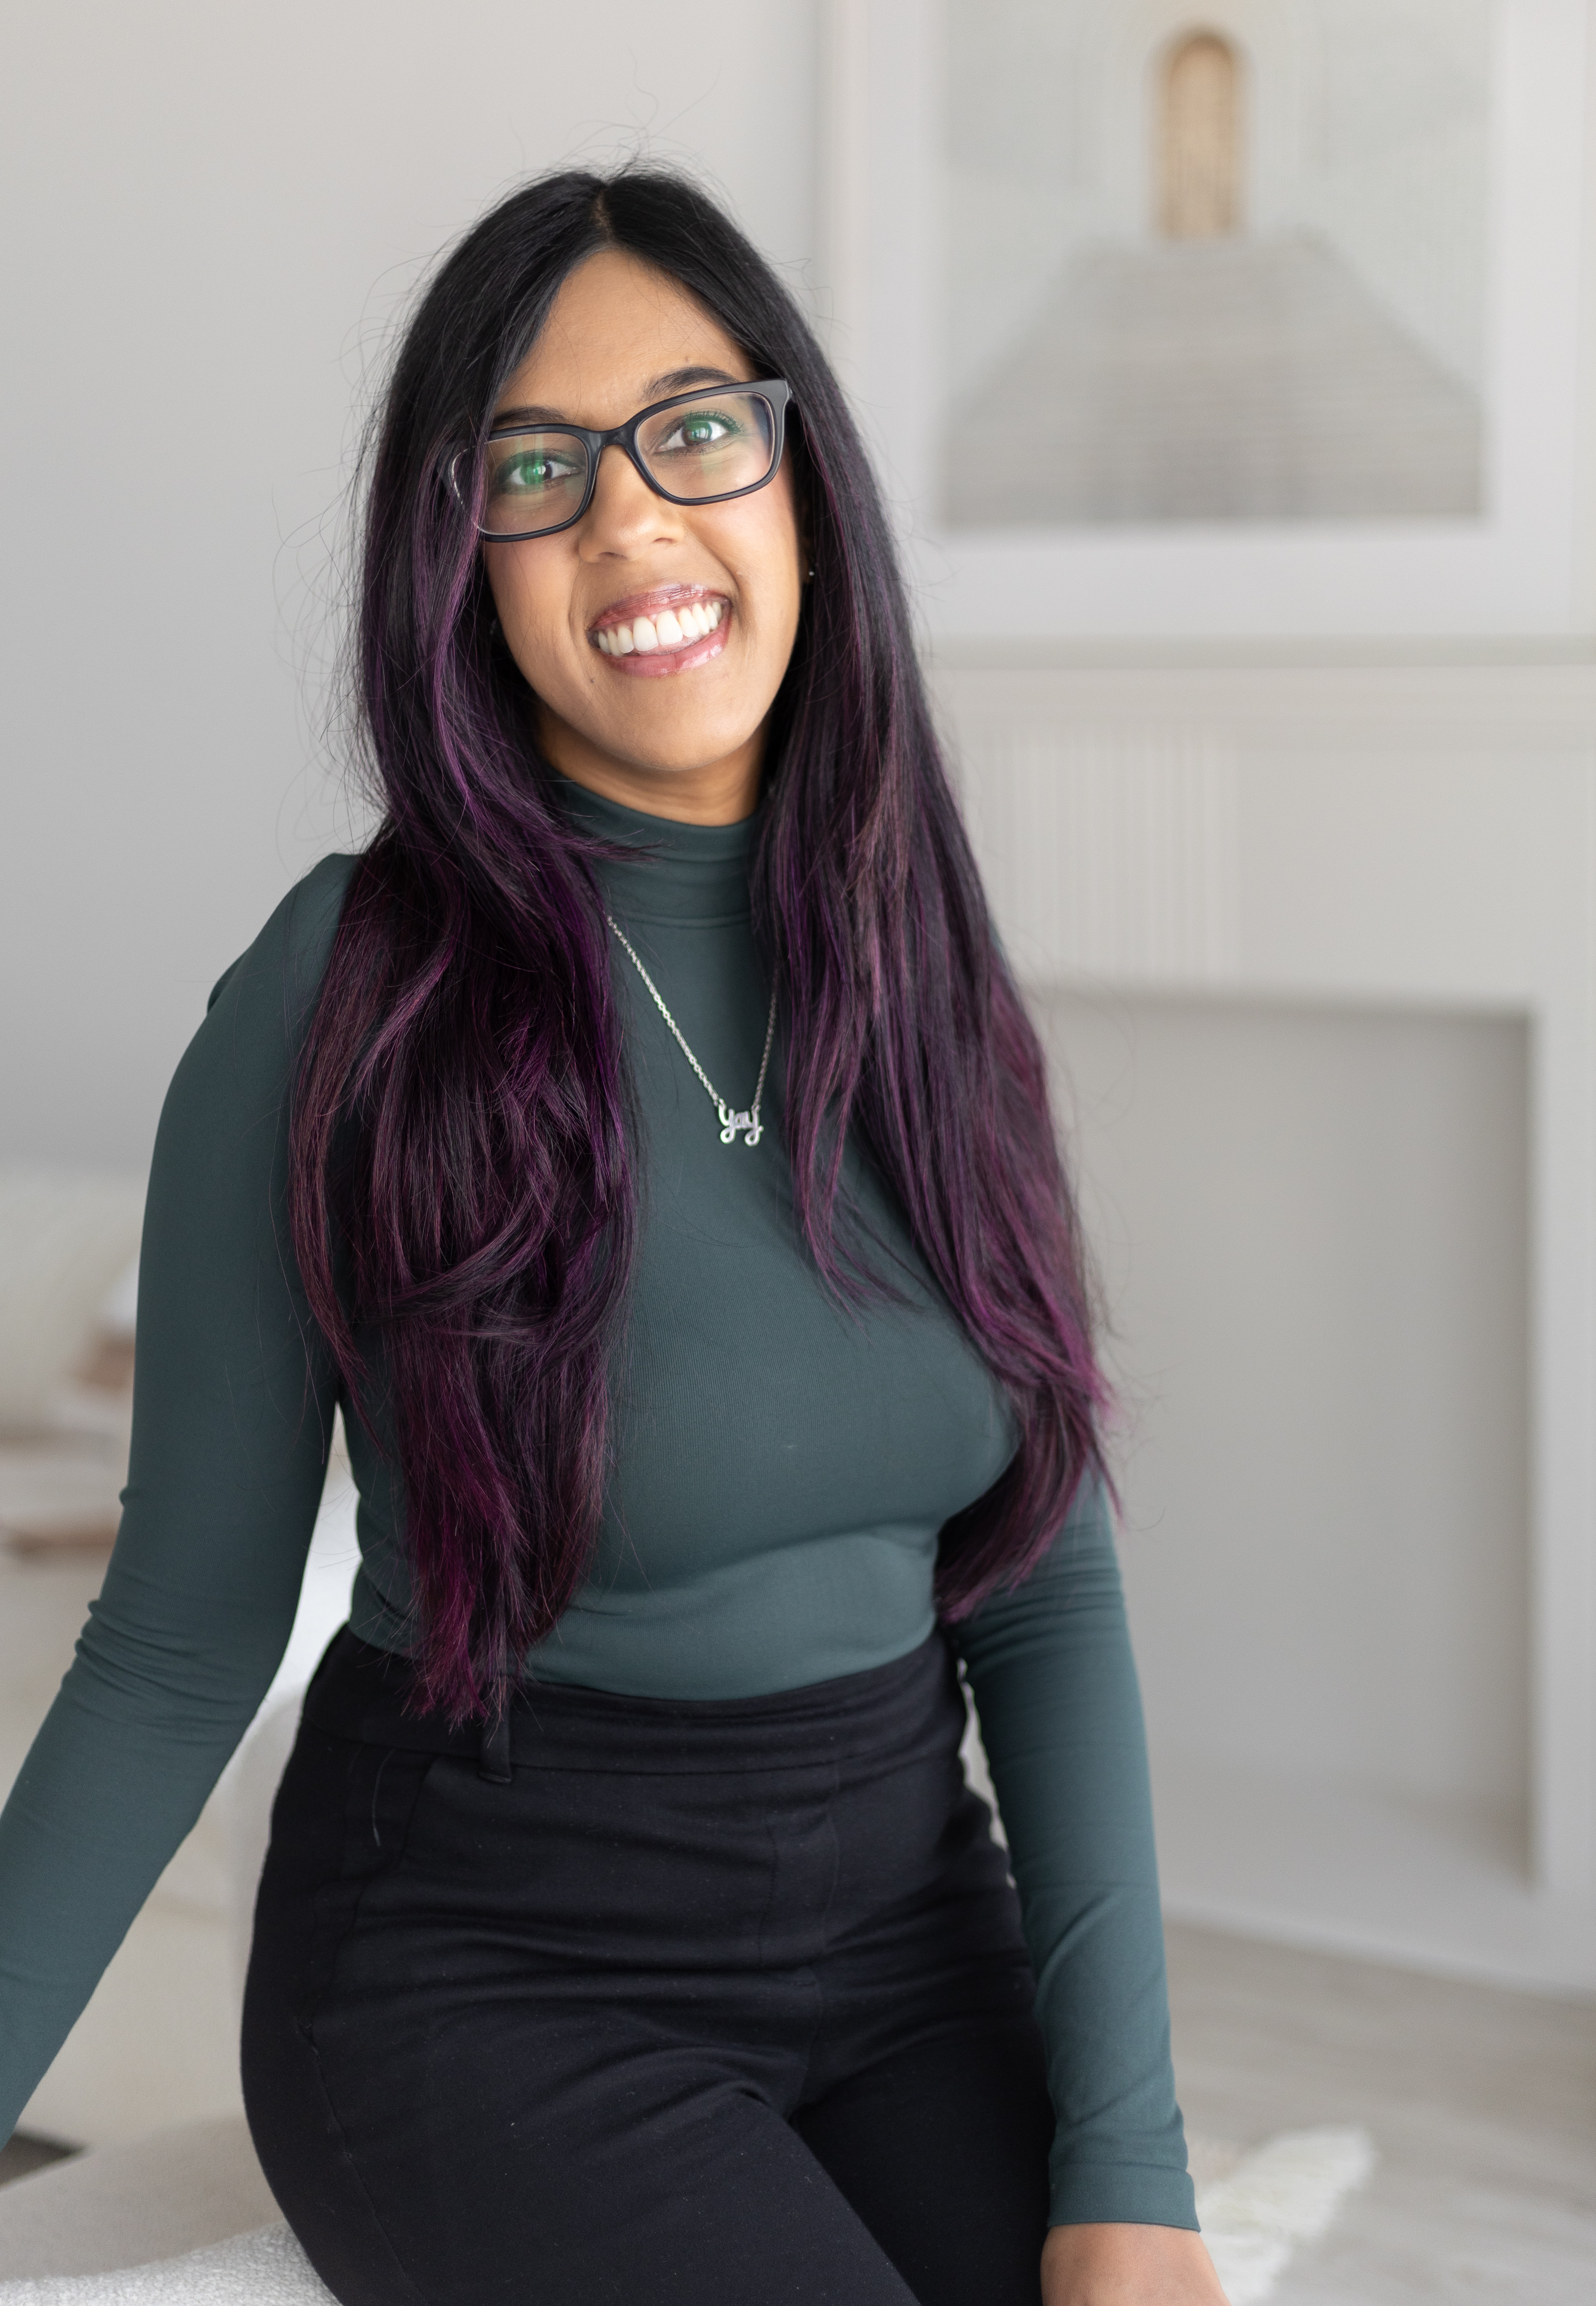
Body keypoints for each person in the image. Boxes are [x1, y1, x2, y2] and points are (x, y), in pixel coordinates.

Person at [0, 169, 1228, 2306]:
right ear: (453, 566)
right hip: (481, 1981)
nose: (630, 524)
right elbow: (178, 1644)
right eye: (533, 474)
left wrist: (1135, 2179)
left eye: (692, 432)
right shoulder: (340, 988)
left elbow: (1039, 1575)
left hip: (903, 1946)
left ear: (799, 485)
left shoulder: (916, 957)